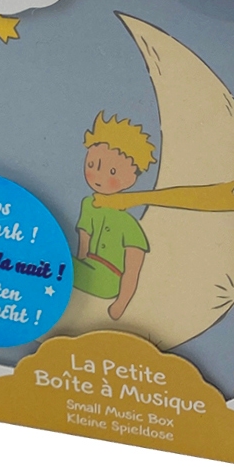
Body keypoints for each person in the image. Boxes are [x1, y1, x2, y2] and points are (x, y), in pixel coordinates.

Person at [74, 113, 156, 321]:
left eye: (111, 171)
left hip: (109, 280)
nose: (98, 176)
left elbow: (132, 269)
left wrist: (121, 303)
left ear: (131, 178)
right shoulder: (89, 204)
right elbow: (83, 244)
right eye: (92, 165)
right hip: (85, 269)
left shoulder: (128, 224)